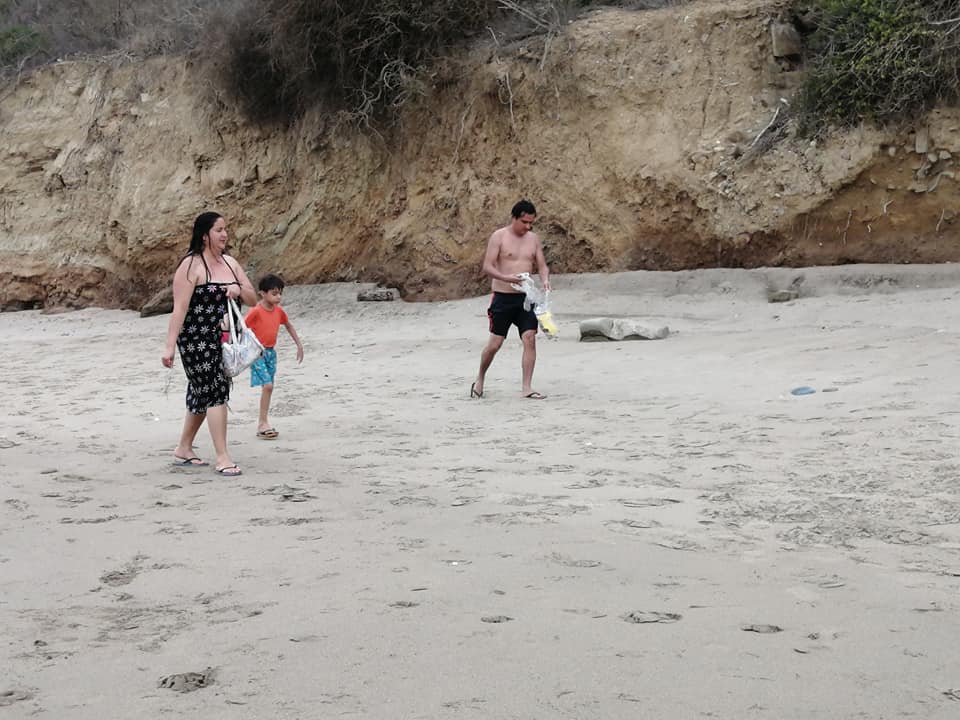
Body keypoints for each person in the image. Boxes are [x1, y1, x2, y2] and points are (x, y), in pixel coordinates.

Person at [161, 211, 257, 476]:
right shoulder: (191, 265)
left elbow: (253, 299)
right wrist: (169, 346)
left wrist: (237, 289)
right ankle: (223, 457)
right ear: (204, 235)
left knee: (202, 392)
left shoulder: (230, 263)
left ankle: (183, 448)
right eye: (218, 230)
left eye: (225, 229)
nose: (224, 234)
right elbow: (179, 309)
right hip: (196, 340)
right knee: (215, 390)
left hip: (225, 340)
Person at [471, 199, 551, 400]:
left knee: (530, 338)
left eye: (531, 223)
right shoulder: (499, 236)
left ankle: (527, 387)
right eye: (524, 222)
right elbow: (488, 266)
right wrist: (506, 278)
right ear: (514, 218)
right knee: (495, 344)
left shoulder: (533, 239)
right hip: (502, 298)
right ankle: (480, 378)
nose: (528, 226)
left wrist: (545, 280)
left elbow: (542, 265)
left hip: (526, 298)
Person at [244, 274, 304, 439]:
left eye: (280, 293)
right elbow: (242, 328)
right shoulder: (256, 311)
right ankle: (263, 423)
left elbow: (288, 325)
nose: (278, 297)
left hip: (271, 353)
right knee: (268, 385)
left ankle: (262, 422)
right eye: (274, 293)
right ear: (263, 293)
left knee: (268, 387)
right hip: (257, 353)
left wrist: (299, 344)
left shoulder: (279, 311)